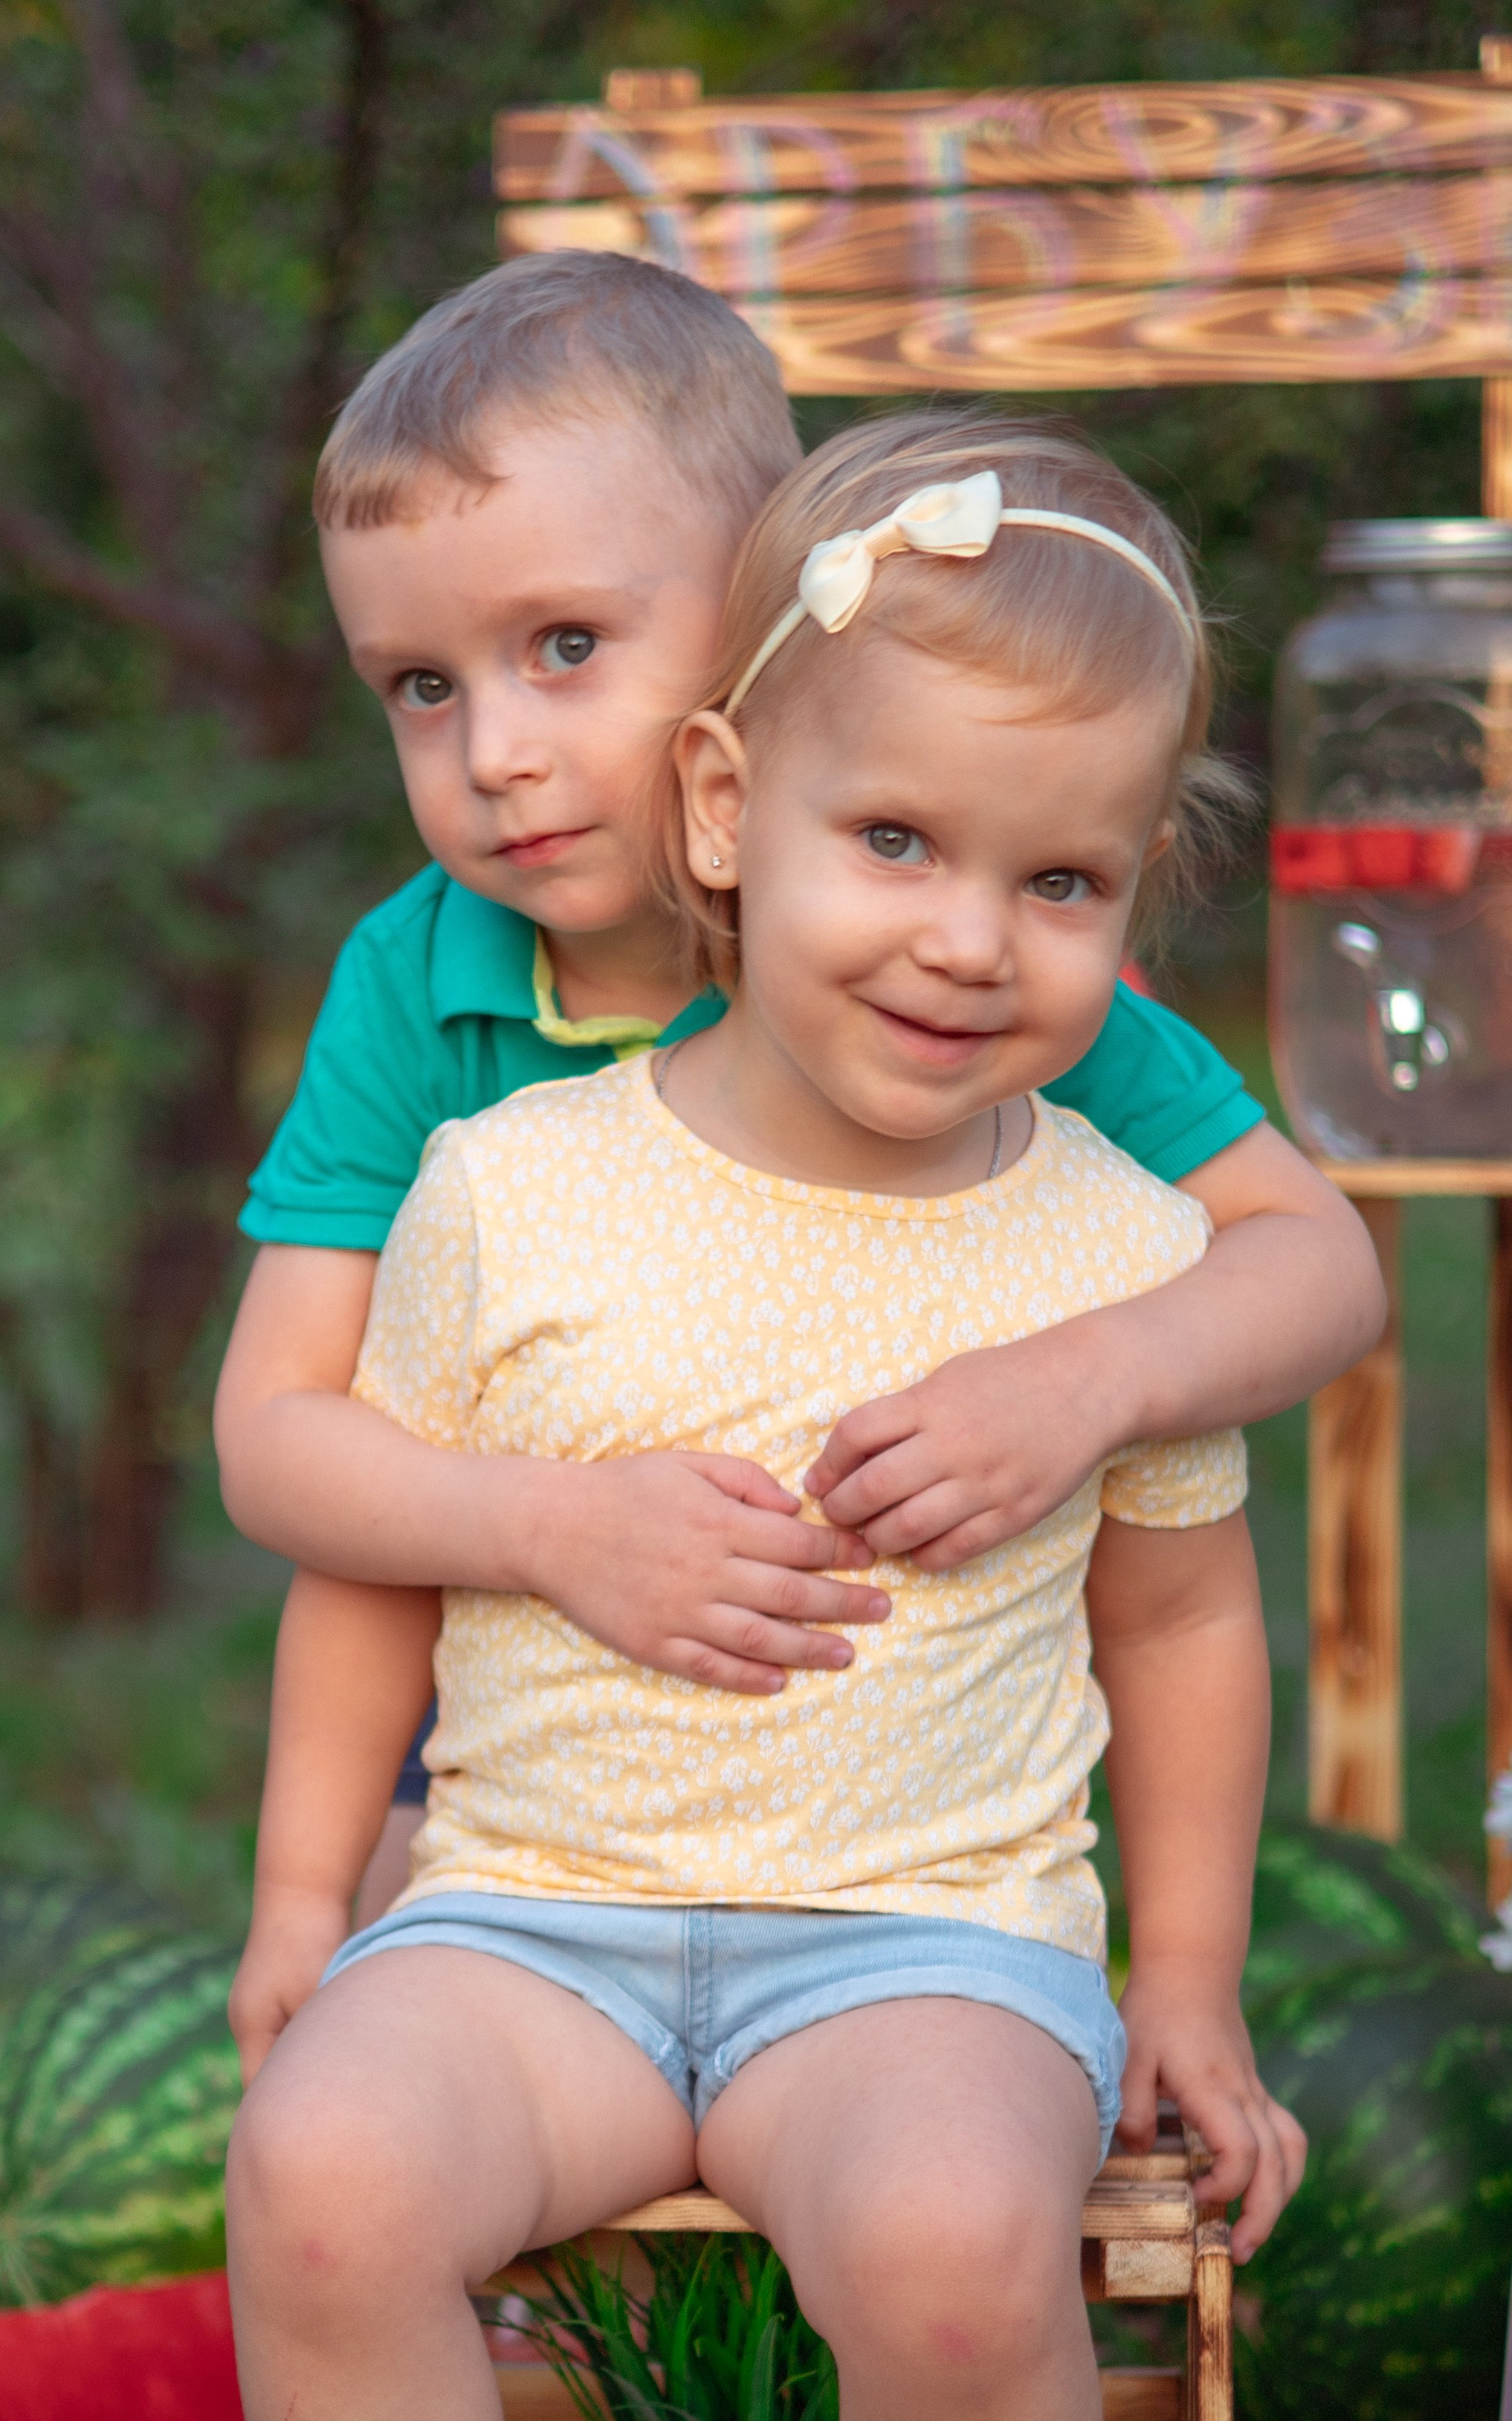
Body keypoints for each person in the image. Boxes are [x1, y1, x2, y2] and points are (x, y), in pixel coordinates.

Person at [225, 410, 1310, 2421]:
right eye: (892, 843)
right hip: (528, 1923)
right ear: (725, 809)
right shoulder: (504, 1180)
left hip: (929, 1950)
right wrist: (308, 1897)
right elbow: (366, 1549)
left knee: (949, 2247)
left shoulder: (1123, 1244)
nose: (966, 939)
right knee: (320, 2174)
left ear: (1134, 899)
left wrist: (1182, 1975)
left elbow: (1177, 1623)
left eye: (1056, 879)